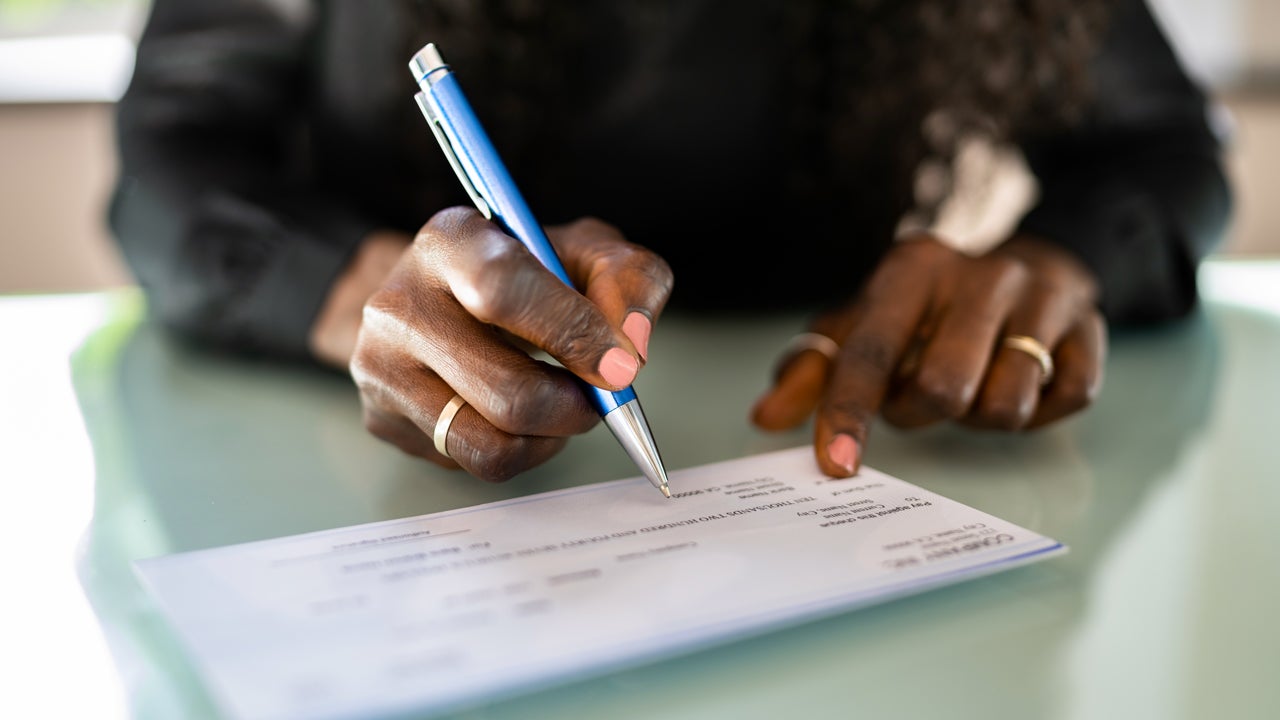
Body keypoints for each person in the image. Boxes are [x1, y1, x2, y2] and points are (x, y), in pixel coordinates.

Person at [108, 0, 1231, 483]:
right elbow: (171, 157)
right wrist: (369, 297)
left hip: (810, 419)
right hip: (359, 479)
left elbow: (1165, 148)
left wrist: (1046, 263)